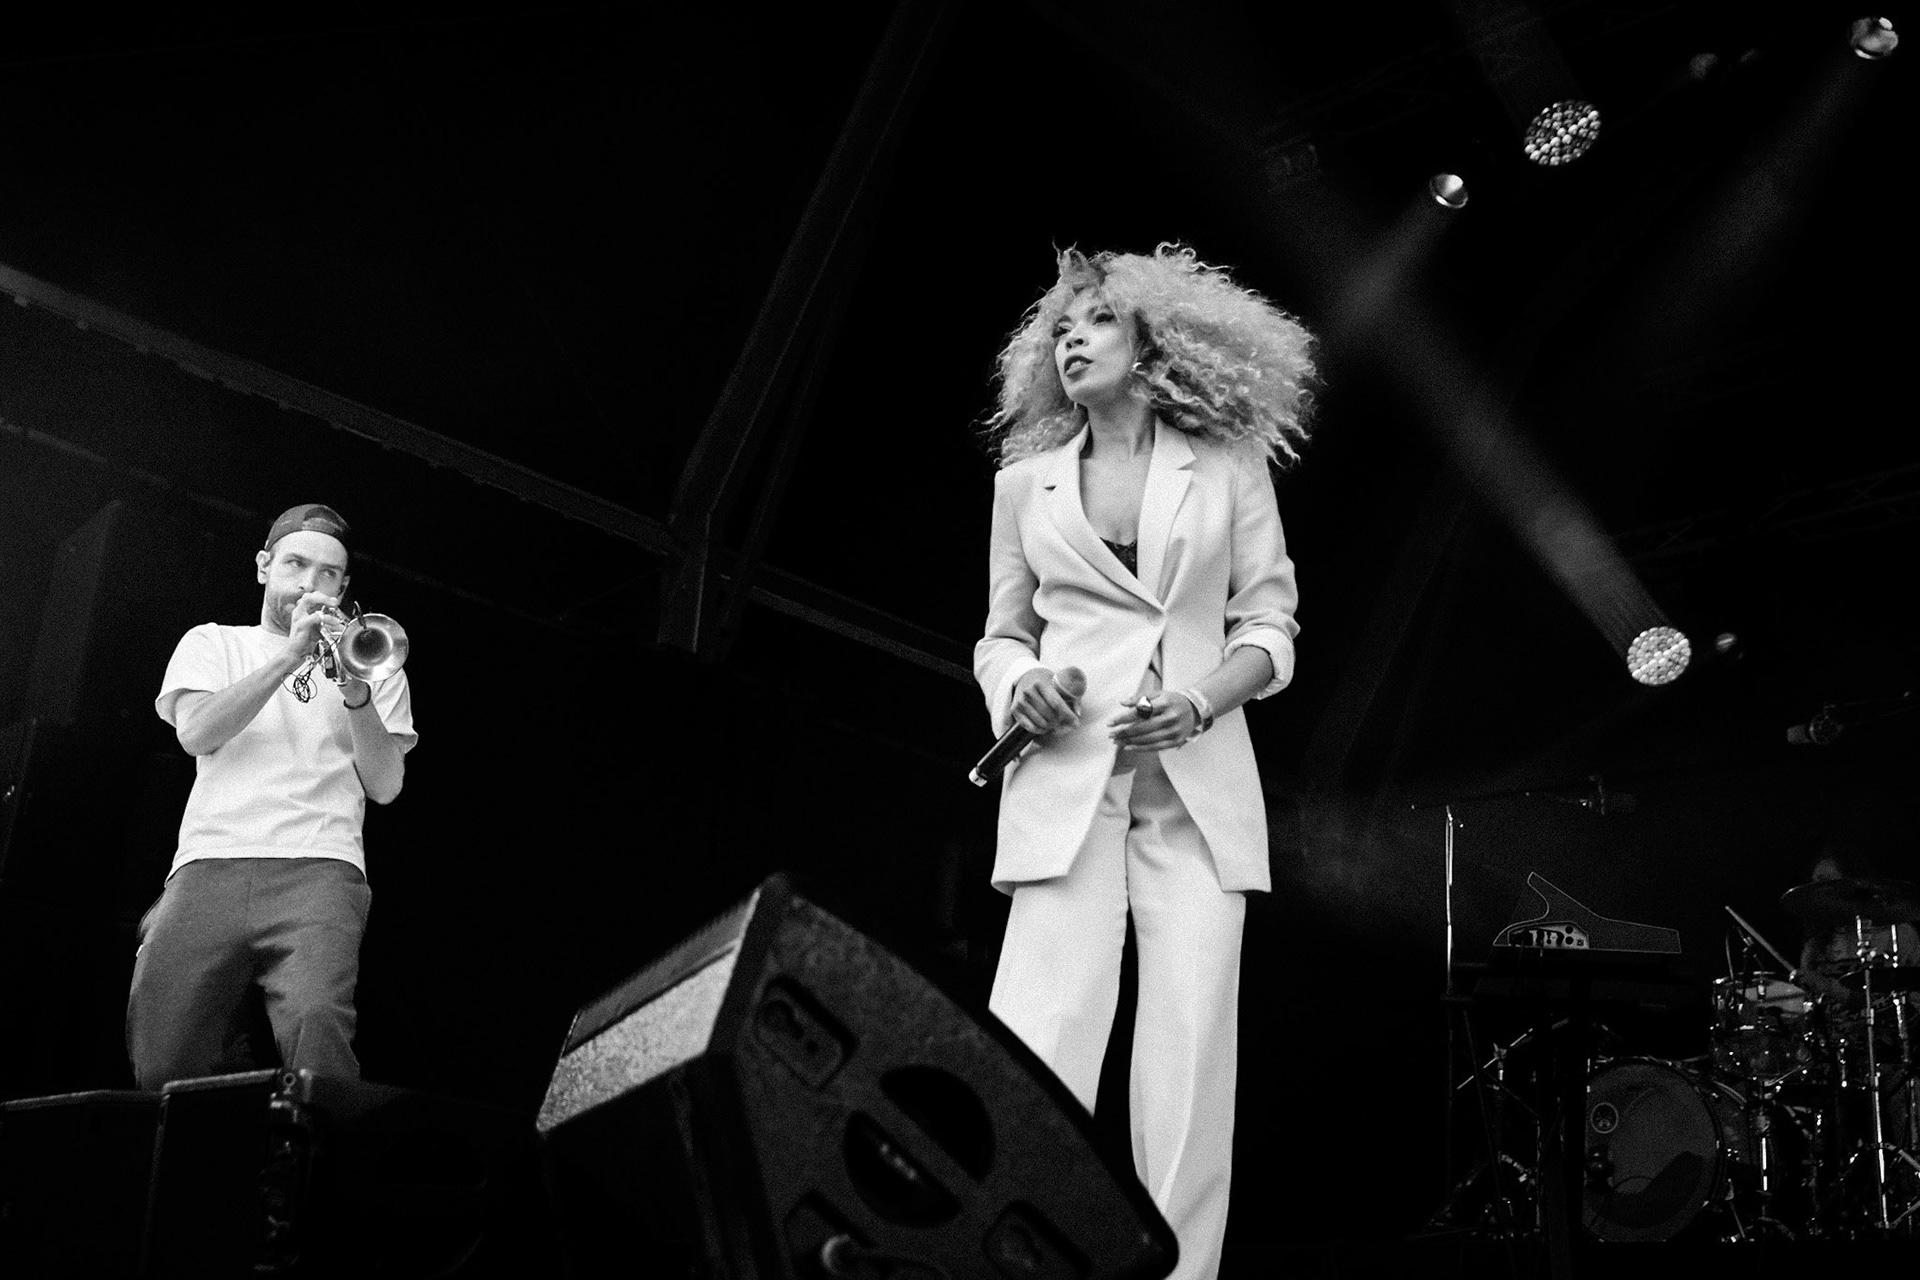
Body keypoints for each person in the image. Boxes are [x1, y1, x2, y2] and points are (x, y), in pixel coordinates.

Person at [974, 243, 1315, 1280]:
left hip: (1198, 792)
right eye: (1061, 327)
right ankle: (1012, 1258)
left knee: (1191, 1054)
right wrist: (1015, 684)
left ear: (1155, 341)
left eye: (1097, 320)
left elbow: (1273, 622)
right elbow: (999, 633)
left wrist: (1202, 699)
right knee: (1037, 1039)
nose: (1072, 337)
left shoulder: (1226, 463)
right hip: (1065, 778)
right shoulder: (1023, 484)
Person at [126, 504, 416, 1090]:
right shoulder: (213, 642)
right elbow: (197, 733)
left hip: (321, 867)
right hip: (211, 863)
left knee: (318, 1037)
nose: (311, 584)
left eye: (329, 574)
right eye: (296, 565)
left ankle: (314, 1169)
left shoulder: (374, 661)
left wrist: (357, 691)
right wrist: (290, 655)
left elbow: (386, 786)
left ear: (345, 588)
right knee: (163, 1059)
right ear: (264, 567)